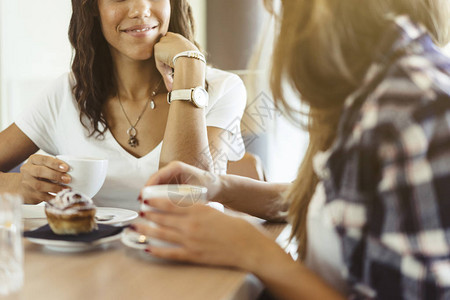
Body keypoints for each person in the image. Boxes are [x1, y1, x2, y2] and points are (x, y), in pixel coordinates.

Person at [131, 0, 450, 299]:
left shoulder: (413, 113)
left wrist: (251, 249)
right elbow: (347, 206)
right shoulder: (379, 88)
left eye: (281, 14)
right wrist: (221, 187)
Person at [0, 0, 246, 210]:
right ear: (94, 8)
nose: (140, 9)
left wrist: (189, 67)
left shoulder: (223, 89)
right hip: (93, 262)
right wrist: (20, 185)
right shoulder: (65, 95)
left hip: (190, 261)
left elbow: (183, 199)